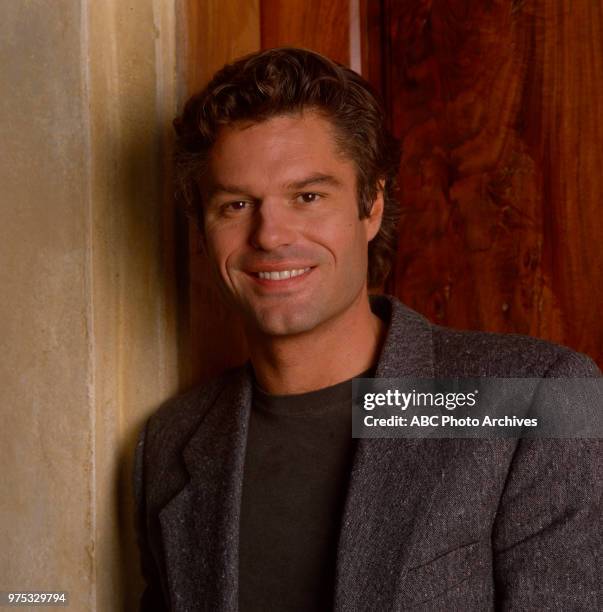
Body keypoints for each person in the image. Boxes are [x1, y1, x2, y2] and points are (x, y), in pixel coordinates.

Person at [134, 47, 601, 611]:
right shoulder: (174, 440)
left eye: (308, 196)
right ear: (203, 228)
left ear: (372, 204)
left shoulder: (534, 400)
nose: (271, 235)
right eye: (235, 204)